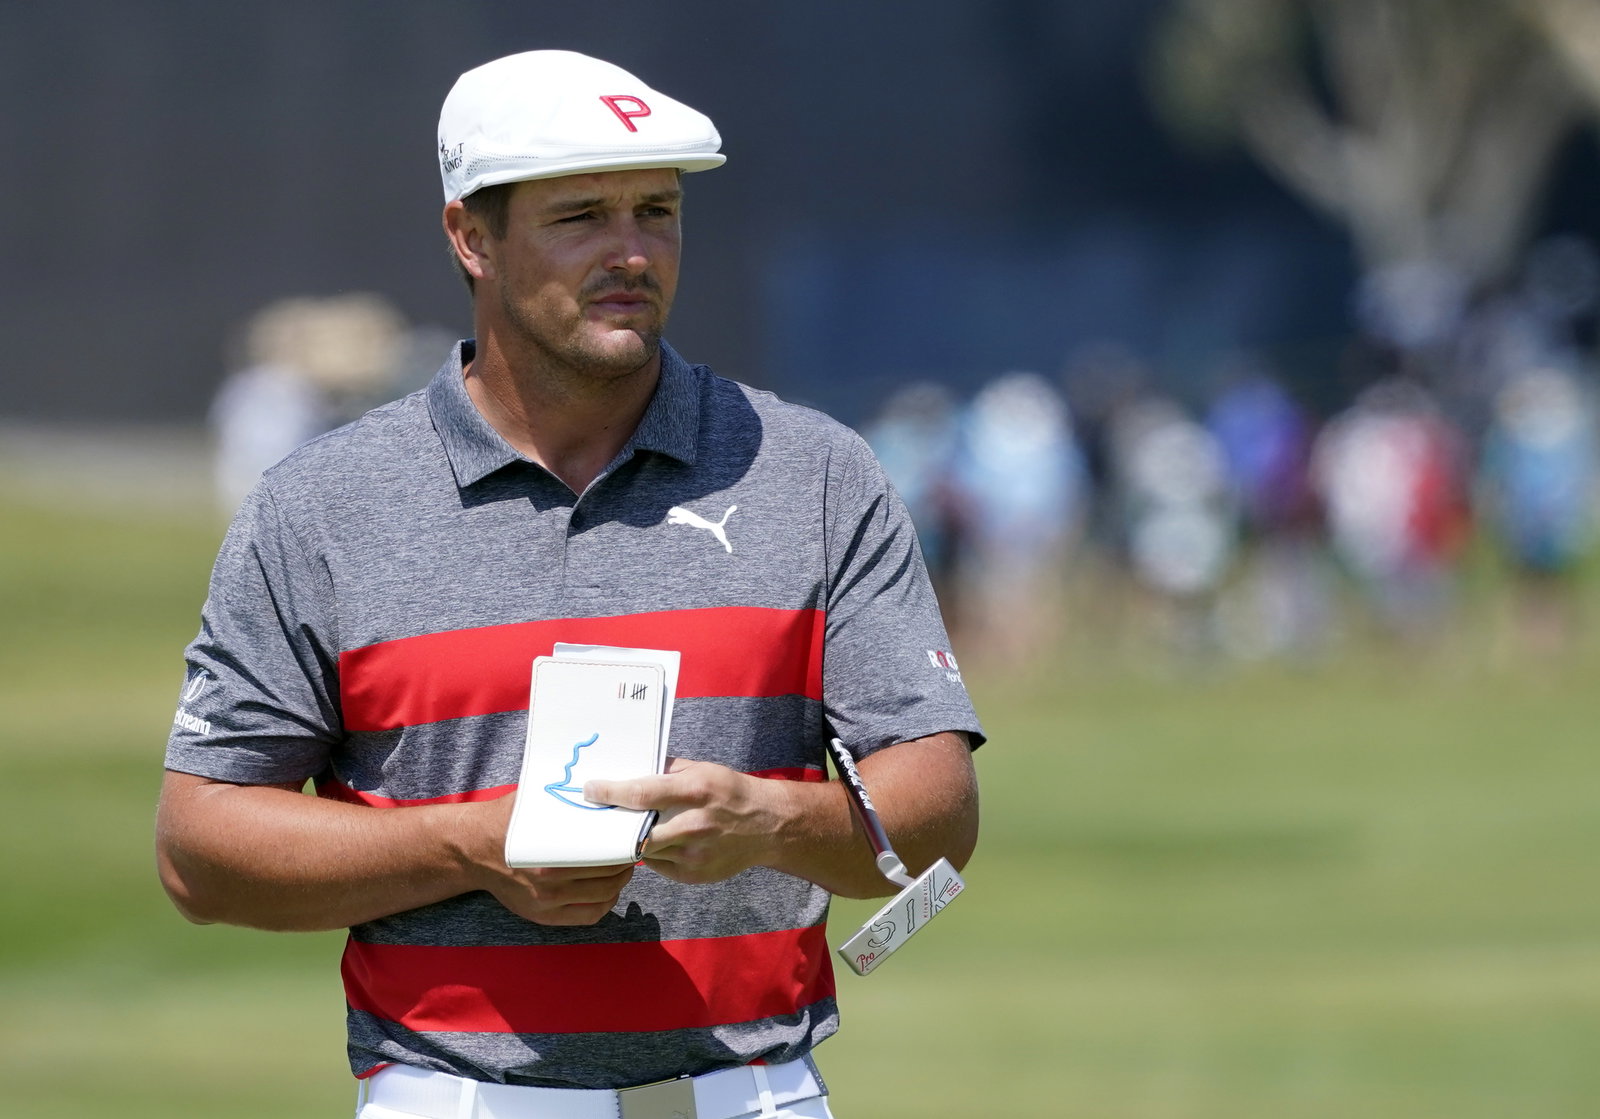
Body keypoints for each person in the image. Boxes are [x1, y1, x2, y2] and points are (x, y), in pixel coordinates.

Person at [155, 49, 982, 1119]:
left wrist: (769, 819)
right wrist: (466, 845)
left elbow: (937, 820)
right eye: (581, 216)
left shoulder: (814, 472)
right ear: (471, 237)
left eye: (657, 211)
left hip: (756, 1095)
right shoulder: (321, 504)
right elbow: (202, 852)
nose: (631, 251)